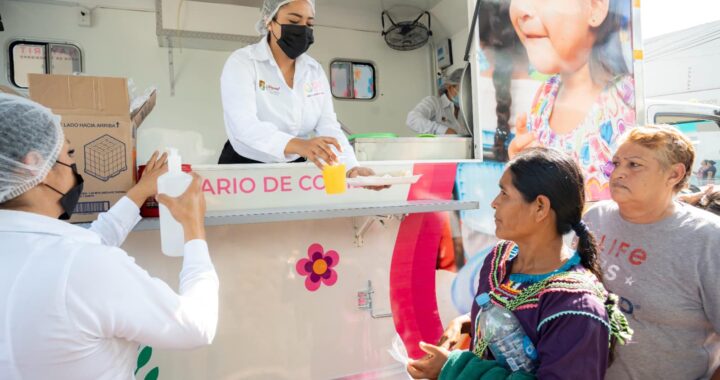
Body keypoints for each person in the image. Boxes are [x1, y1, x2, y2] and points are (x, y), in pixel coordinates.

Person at [0, 94, 219, 379]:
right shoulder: (82, 266)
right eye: (69, 155)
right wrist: (194, 230)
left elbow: (85, 245)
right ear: (36, 166)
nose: (73, 165)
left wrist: (140, 192)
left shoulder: (51, 256)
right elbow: (195, 326)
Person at [407, 148, 631, 380]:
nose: (494, 203)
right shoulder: (499, 260)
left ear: (540, 207)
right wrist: (464, 323)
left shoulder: (576, 306)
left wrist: (453, 367)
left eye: (504, 194)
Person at [583, 125, 720, 380]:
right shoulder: (595, 217)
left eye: (634, 164)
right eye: (616, 163)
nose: (618, 173)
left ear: (674, 174)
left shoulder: (708, 239)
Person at [219, 0, 379, 185]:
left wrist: (351, 168)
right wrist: (300, 145)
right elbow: (244, 125)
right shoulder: (244, 62)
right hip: (243, 168)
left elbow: (328, 125)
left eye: (309, 24)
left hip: (294, 169)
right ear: (269, 21)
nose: (302, 29)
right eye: (294, 22)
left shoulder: (314, 70)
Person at [507, 0, 635, 201]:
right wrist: (522, 163)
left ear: (595, 7)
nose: (522, 9)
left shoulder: (626, 98)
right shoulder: (545, 94)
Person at [406, 68, 468, 136]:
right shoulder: (434, 103)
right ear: (449, 87)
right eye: (462, 90)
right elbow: (412, 119)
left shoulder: (466, 111)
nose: (464, 95)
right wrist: (443, 130)